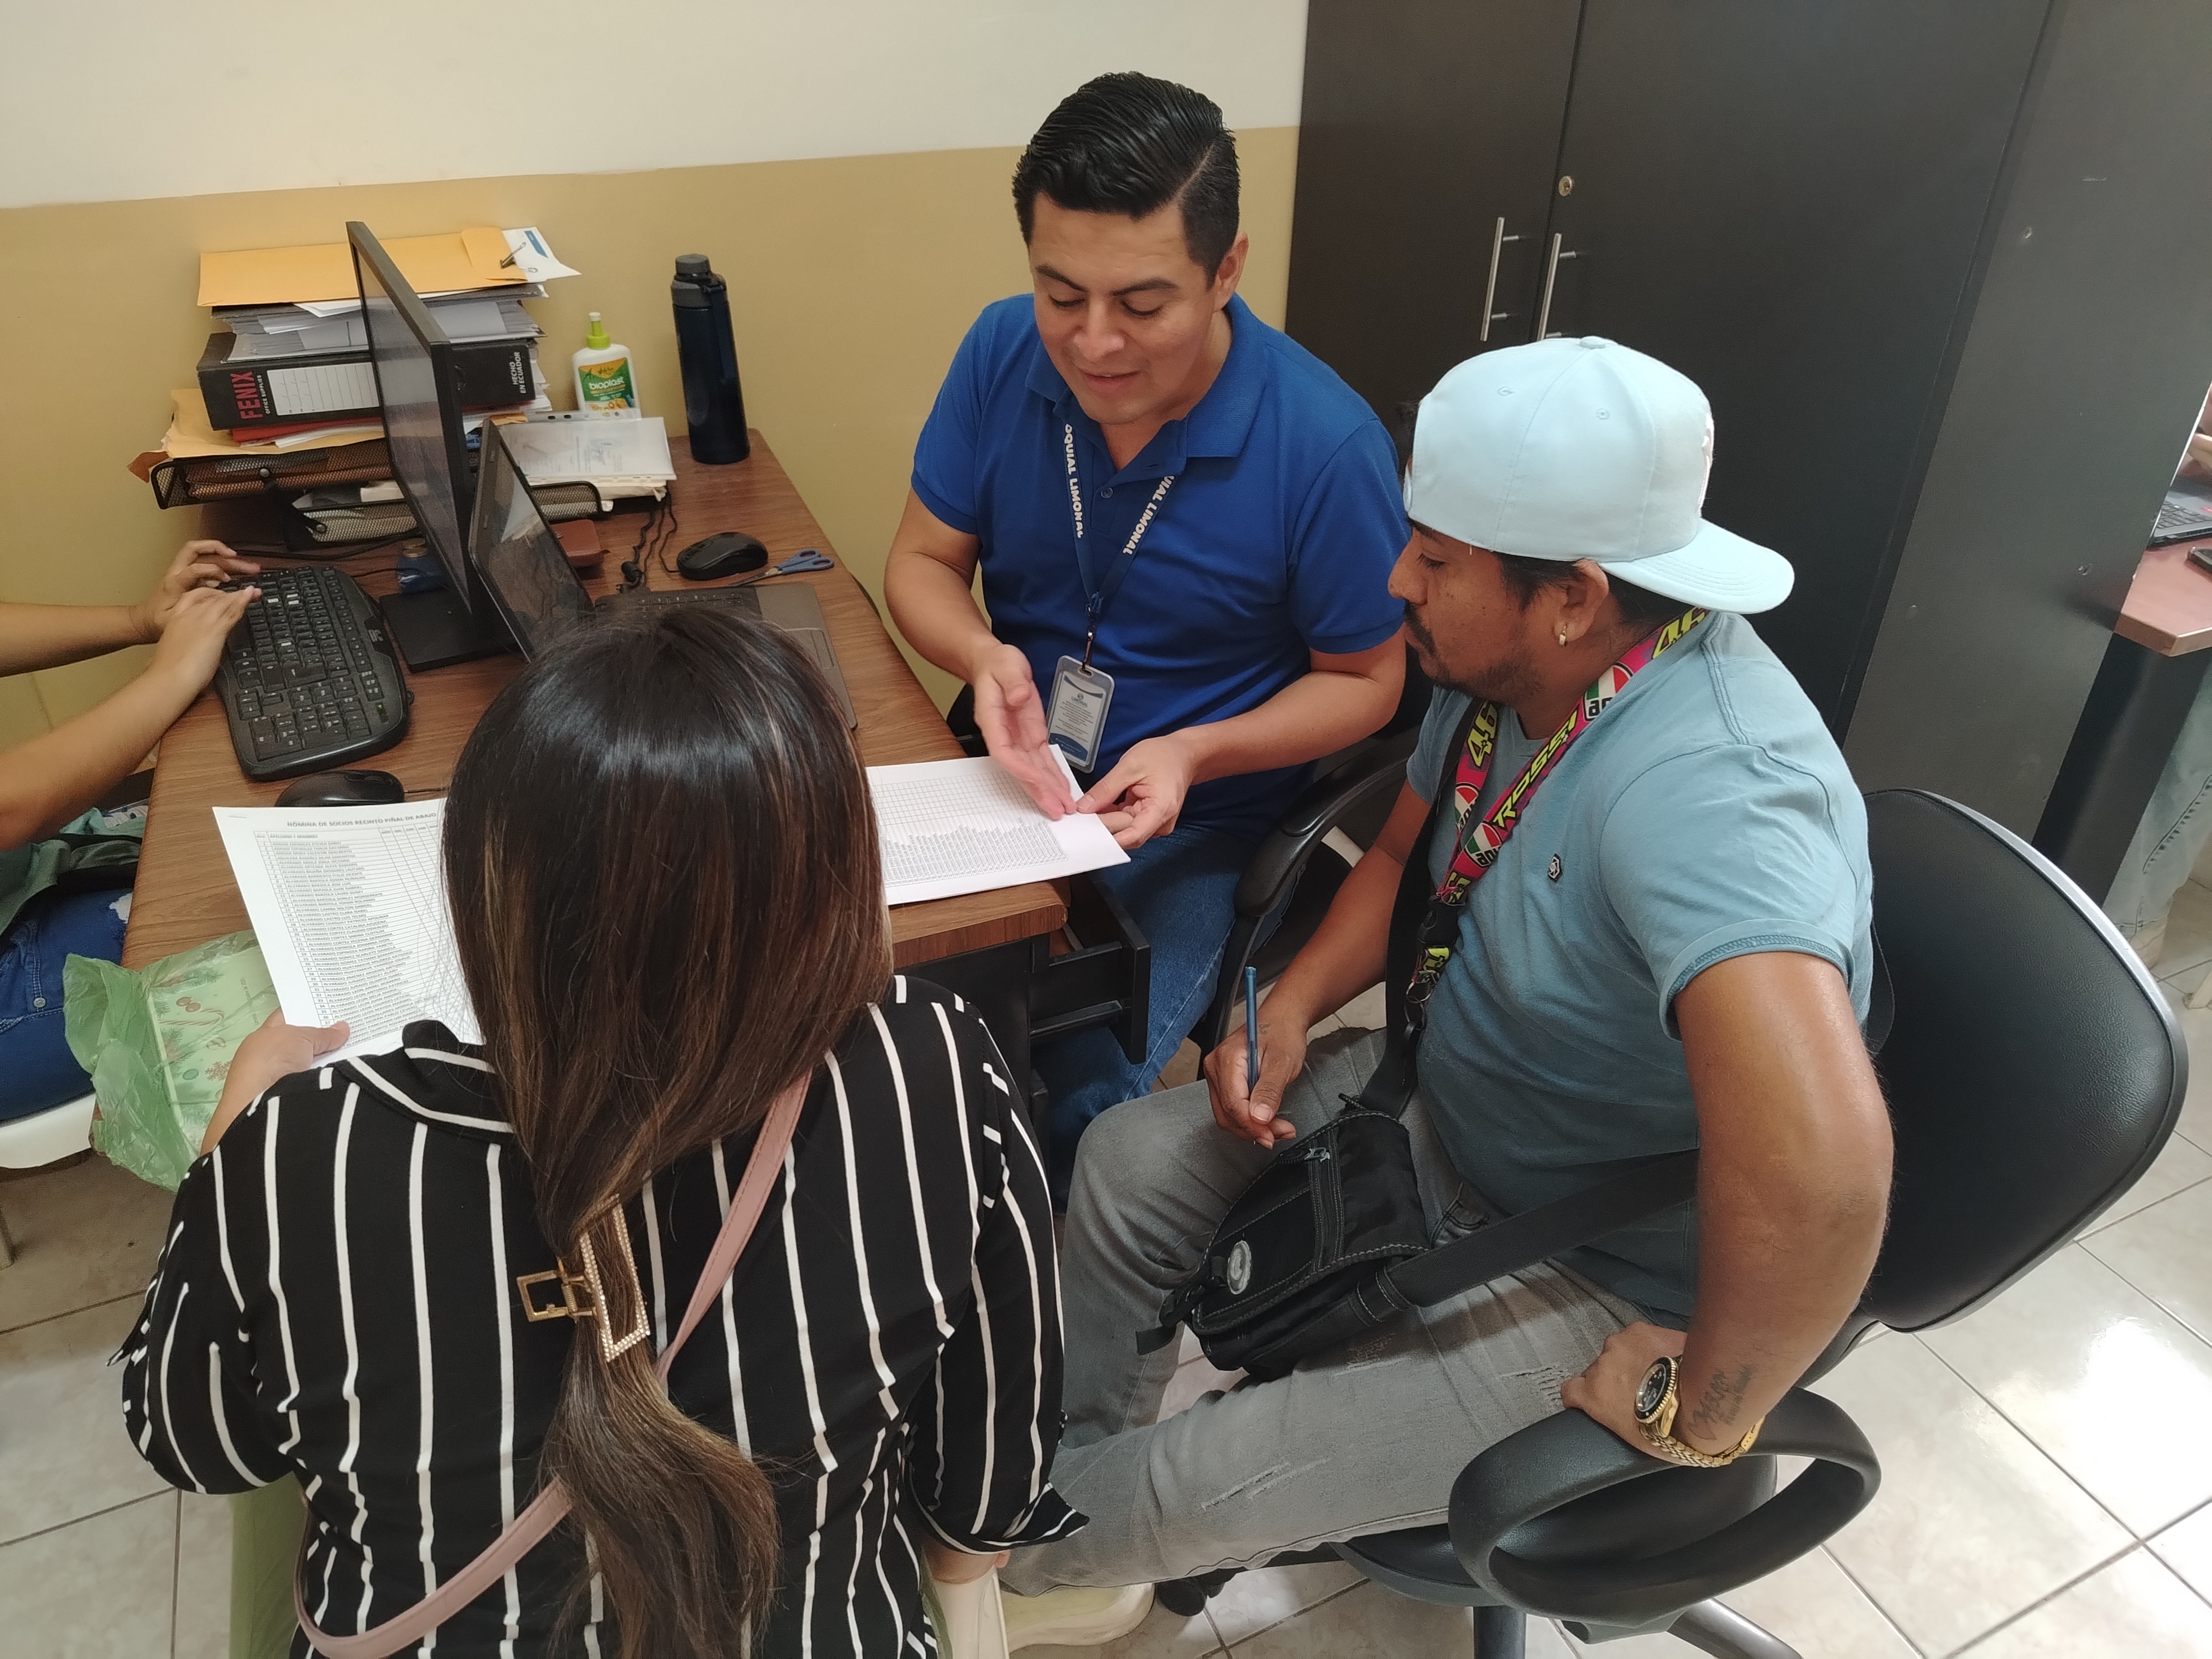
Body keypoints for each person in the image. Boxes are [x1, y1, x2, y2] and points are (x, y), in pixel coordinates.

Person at [996, 338, 1895, 1601]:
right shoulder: (1514, 672)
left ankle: (1029, 1562)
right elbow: (1401, 855)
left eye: (1434, 560)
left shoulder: (1715, 800)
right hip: (1448, 1110)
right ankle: (1069, 1489)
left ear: (1572, 594)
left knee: (1188, 1483)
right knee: (1126, 1165)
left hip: (1601, 1261)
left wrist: (1699, 1407)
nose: (1395, 580)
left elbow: (1826, 1172)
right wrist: (1293, 1005)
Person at [119, 609, 1110, 1658]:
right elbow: (984, 1503)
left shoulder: (300, 1152)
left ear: (486, 897)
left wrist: (226, 1147)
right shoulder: (932, 1066)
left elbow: (199, 1444)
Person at [885, 72, 1408, 1194]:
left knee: (1074, 1090)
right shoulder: (999, 353)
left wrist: (1194, 752)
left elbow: (1369, 680)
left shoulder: (1323, 446)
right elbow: (921, 565)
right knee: (869, 1004)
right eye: (1060, 293)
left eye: (1141, 303)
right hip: (1012, 780)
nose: (1094, 344)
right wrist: (984, 657)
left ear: (1227, 269)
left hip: (1196, 823)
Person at [0, 539, 258, 1122]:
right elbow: (9, 811)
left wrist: (139, 621)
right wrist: (171, 675)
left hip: (20, 868)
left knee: (218, 819)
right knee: (257, 914)